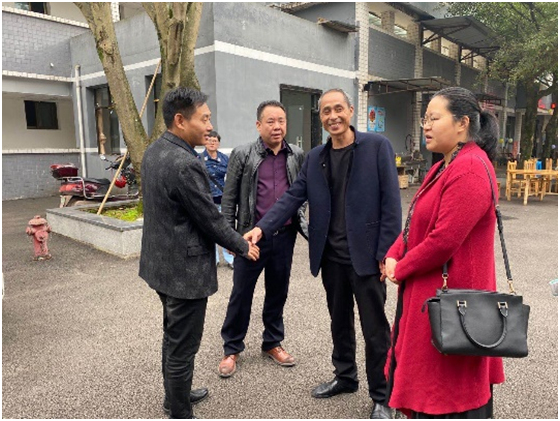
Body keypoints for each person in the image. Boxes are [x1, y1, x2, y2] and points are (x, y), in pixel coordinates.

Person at [245, 89, 401, 419]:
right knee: (339, 322)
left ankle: (383, 396)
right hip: (331, 256)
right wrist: (262, 227)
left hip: (367, 257)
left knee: (375, 329)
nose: (333, 116)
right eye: (326, 111)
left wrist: (387, 252)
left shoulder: (377, 147)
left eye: (338, 109)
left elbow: (391, 203)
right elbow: (292, 197)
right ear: (321, 117)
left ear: (350, 110)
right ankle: (345, 377)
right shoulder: (316, 157)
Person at [383, 86, 504, 418]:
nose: (426, 125)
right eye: (425, 118)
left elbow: (442, 241)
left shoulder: (470, 168)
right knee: (432, 392)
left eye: (434, 118)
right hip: (434, 299)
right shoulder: (446, 165)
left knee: (446, 397)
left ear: (463, 123)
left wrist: (401, 267)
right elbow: (415, 222)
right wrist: (393, 253)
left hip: (454, 307)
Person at [139, 87, 259, 419]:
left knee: (172, 335)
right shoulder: (185, 164)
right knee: (183, 345)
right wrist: (243, 245)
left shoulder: (154, 151)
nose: (209, 126)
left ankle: (175, 395)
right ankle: (179, 410)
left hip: (160, 264)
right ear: (180, 120)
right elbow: (209, 219)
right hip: (183, 272)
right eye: (204, 119)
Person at [217, 100, 307, 378]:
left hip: (285, 236)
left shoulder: (296, 155)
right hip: (250, 239)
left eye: (281, 121)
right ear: (258, 125)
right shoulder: (243, 154)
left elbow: (302, 194)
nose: (277, 126)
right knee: (241, 294)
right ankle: (232, 347)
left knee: (278, 291)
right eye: (270, 121)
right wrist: (232, 240)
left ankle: (272, 342)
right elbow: (229, 199)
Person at [202, 130, 234, 269]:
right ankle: (213, 259)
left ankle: (230, 258)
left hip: (223, 198)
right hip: (207, 199)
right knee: (210, 230)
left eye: (215, 141)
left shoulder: (225, 159)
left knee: (226, 229)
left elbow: (231, 177)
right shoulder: (198, 159)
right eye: (209, 140)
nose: (212, 143)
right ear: (205, 142)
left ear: (218, 143)